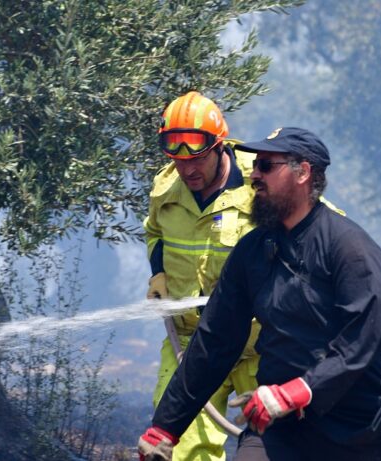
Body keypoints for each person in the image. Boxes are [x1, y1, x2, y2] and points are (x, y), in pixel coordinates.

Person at [138, 127, 381, 461]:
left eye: (266, 166)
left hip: (362, 425)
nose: (254, 175)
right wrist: (165, 428)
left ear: (303, 173)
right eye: (255, 165)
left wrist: (300, 390)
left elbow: (360, 341)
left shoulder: (350, 248)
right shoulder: (252, 251)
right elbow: (214, 341)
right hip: (282, 425)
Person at [142, 91, 261, 460]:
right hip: (192, 343)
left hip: (260, 346)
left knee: (283, 444)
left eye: (196, 159)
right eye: (178, 161)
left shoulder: (262, 181)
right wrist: (159, 274)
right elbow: (154, 232)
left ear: (219, 145)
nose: (187, 170)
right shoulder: (166, 189)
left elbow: (318, 227)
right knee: (179, 449)